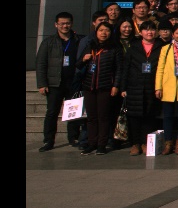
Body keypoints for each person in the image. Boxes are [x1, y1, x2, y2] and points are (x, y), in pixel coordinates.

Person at [35, 11, 80, 152]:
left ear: (71, 24)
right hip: (55, 83)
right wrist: (42, 84)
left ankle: (73, 137)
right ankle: (48, 140)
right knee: (52, 112)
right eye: (62, 24)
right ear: (56, 25)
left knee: (73, 112)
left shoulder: (78, 40)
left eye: (67, 23)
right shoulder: (48, 42)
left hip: (73, 82)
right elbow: (41, 64)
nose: (65, 26)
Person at [79, 22, 122, 156]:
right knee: (91, 118)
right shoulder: (90, 46)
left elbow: (119, 69)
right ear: (96, 32)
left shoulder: (114, 48)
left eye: (107, 30)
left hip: (105, 86)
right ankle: (92, 143)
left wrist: (115, 85)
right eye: (101, 30)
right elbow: (78, 65)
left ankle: (102, 144)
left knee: (103, 117)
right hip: (89, 86)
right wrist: (84, 59)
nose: (104, 33)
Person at [121, 20, 162, 156]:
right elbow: (126, 68)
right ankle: (135, 143)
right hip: (134, 86)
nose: (149, 32)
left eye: (152, 29)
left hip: (152, 85)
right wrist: (123, 87)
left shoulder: (161, 47)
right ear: (141, 32)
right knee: (134, 116)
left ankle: (146, 142)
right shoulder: (134, 47)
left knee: (149, 116)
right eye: (146, 30)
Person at [155, 24, 178, 156]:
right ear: (173, 35)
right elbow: (160, 68)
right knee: (168, 116)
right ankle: (168, 142)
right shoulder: (166, 49)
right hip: (168, 86)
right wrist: (158, 87)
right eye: (177, 33)